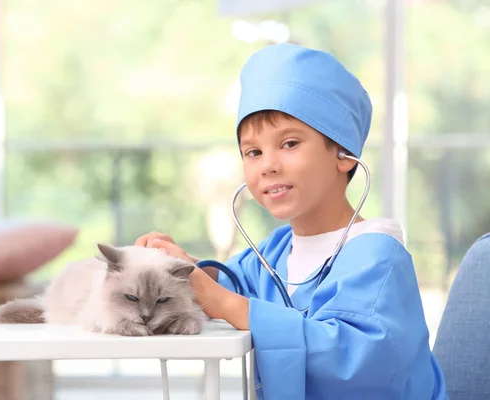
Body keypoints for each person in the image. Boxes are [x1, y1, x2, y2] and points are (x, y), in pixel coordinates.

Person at [135, 43, 448, 400]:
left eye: (289, 144)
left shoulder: (377, 256)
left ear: (344, 155)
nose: (267, 164)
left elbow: (355, 359)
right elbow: (231, 283)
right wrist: (179, 269)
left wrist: (221, 301)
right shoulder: (275, 250)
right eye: (253, 152)